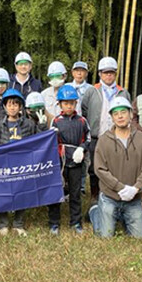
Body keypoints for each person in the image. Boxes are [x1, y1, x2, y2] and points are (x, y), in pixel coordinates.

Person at [93, 97, 142, 239]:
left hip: (133, 197)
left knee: (139, 237)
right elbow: (100, 169)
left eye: (123, 112)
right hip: (110, 196)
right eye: (115, 114)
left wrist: (136, 188)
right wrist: (120, 187)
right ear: (112, 117)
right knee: (105, 236)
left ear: (131, 114)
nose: (120, 116)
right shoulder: (104, 140)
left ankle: (121, 217)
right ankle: (95, 212)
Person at [0, 88, 39, 236]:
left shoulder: (28, 124)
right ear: (4, 106)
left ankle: (18, 223)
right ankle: (3, 223)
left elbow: (39, 140)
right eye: (9, 104)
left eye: (16, 104)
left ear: (21, 106)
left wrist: (42, 126)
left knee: (21, 192)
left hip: (22, 163)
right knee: (3, 193)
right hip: (3, 163)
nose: (12, 107)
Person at [80, 56, 131, 201]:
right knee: (94, 167)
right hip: (96, 137)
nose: (108, 75)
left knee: (116, 167)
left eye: (111, 72)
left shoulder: (123, 92)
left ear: (115, 74)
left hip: (117, 137)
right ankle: (95, 196)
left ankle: (114, 195)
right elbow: (84, 110)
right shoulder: (92, 91)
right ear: (100, 74)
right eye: (105, 72)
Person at [48, 84, 90, 235]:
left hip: (77, 162)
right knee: (56, 192)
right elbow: (50, 141)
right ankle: (54, 223)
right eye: (65, 103)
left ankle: (76, 222)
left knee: (75, 193)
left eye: (72, 103)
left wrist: (82, 148)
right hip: (60, 162)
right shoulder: (56, 121)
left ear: (76, 103)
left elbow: (88, 138)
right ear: (60, 104)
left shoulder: (82, 121)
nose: (69, 106)